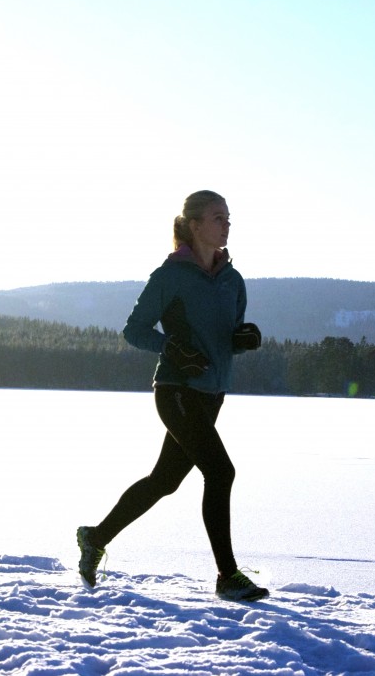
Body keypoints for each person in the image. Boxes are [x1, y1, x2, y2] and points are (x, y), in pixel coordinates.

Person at [76, 190, 268, 602]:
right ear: (194, 225)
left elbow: (224, 338)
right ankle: (227, 576)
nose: (227, 225)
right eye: (218, 218)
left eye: (229, 218)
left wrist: (242, 338)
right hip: (176, 391)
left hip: (212, 394)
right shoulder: (170, 276)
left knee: (164, 481)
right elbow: (134, 330)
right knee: (221, 472)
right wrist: (171, 347)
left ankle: (95, 536)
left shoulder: (233, 280)